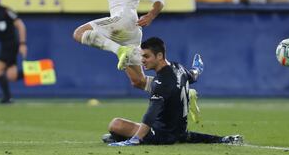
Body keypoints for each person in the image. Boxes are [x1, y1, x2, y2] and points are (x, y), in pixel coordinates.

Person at [102, 37, 243, 146]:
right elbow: (193, 75)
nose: (142, 60)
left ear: (159, 56)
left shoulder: (161, 82)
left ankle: (125, 137)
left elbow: (151, 115)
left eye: (146, 56)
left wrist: (136, 139)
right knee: (184, 134)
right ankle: (223, 139)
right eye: (141, 56)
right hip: (180, 131)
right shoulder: (178, 67)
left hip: (162, 135)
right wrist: (197, 68)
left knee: (116, 124)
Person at [0, 0, 27, 104]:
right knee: (11, 76)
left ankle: (7, 98)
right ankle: (38, 72)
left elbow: (20, 25)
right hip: (5, 45)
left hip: (11, 45)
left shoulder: (5, 11)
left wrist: (23, 43)